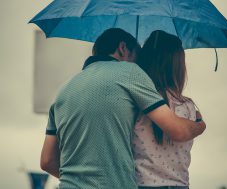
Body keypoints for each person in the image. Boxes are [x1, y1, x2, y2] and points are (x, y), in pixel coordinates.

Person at [40, 28, 206, 189]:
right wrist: (200, 124)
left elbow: (47, 161)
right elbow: (177, 130)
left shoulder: (63, 91)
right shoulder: (130, 72)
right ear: (123, 48)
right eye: (138, 56)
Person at [132, 30, 203, 189]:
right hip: (180, 184)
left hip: (142, 184)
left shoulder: (138, 101)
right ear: (178, 66)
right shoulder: (188, 106)